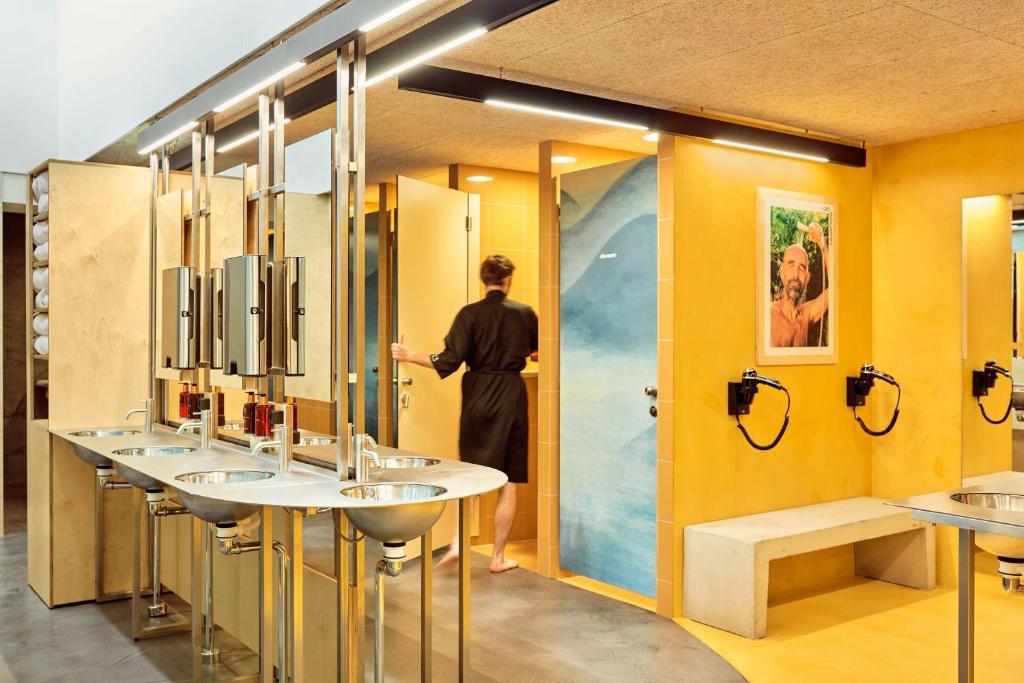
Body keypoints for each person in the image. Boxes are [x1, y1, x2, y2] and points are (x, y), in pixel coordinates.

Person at [391, 255, 538, 573]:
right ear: (509, 279)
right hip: (512, 396)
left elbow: (448, 360)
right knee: (509, 482)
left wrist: (409, 355)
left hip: (477, 397)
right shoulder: (525, 314)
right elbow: (539, 350)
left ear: (482, 280)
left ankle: (459, 542)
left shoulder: (469, 314)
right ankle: (498, 558)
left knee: (472, 473)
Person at [770, 221, 829, 347]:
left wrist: (822, 243)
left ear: (807, 278)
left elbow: (836, 289)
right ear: (782, 272)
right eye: (791, 265)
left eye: (802, 268)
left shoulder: (806, 314)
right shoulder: (768, 315)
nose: (796, 274)